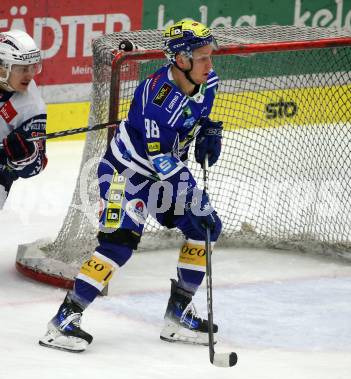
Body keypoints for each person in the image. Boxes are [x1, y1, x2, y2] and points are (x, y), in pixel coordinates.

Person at [39, 20, 223, 352]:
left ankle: (178, 314)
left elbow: (199, 115)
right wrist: (194, 194)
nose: (210, 64)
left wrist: (209, 130)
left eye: (210, 55)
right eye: (202, 56)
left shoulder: (208, 81)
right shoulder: (157, 100)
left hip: (162, 175)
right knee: (118, 244)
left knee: (205, 229)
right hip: (125, 175)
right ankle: (64, 320)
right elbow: (162, 161)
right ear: (180, 60)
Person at [0, 29, 47, 209]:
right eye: (22, 69)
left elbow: (38, 164)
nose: (30, 75)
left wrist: (25, 156)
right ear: (2, 68)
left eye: (33, 67)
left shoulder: (31, 106)